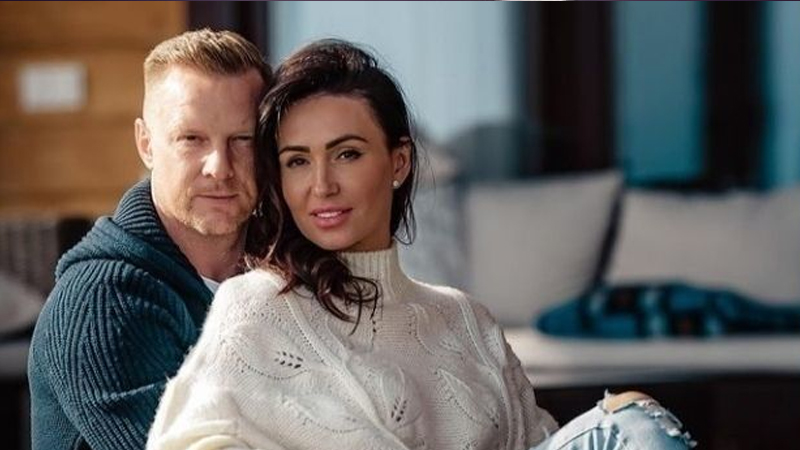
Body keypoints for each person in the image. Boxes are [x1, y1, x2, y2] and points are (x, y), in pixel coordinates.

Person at [146, 39, 695, 450]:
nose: (321, 185)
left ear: (399, 162)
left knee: (634, 423)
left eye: (346, 154)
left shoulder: (467, 322)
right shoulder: (258, 306)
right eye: (297, 162)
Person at [28, 29, 272, 450]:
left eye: (243, 139)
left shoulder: (280, 269)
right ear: (146, 144)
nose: (219, 166)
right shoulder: (101, 302)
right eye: (191, 139)